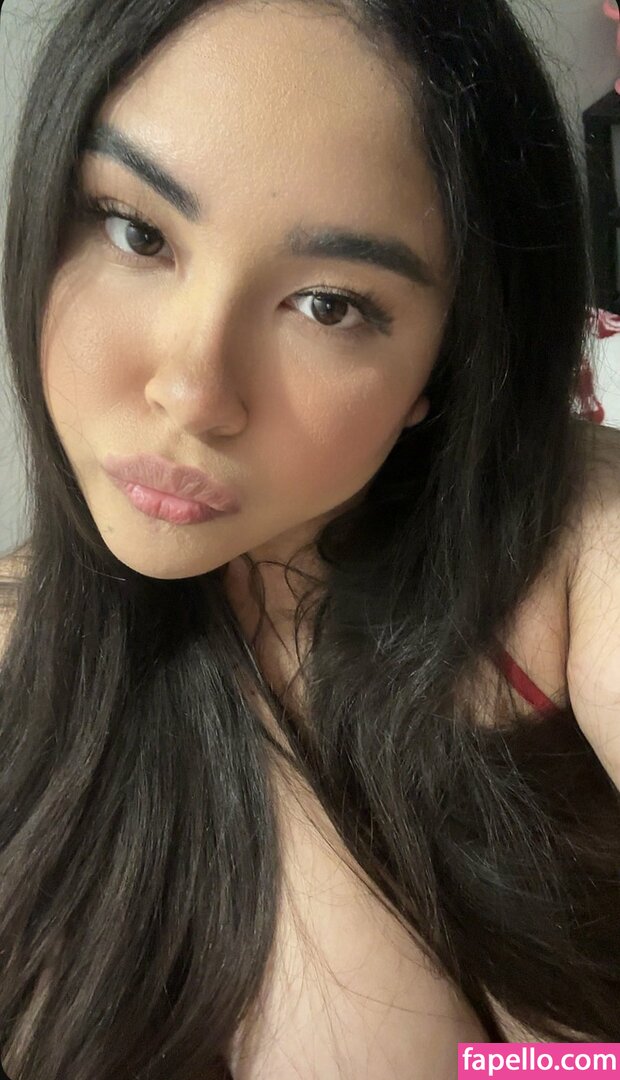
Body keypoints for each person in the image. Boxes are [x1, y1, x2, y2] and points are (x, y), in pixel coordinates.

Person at [0, 0, 619, 1076]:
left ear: (445, 362)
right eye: (137, 232)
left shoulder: (565, 544)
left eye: (329, 303)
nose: (193, 395)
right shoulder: (21, 649)